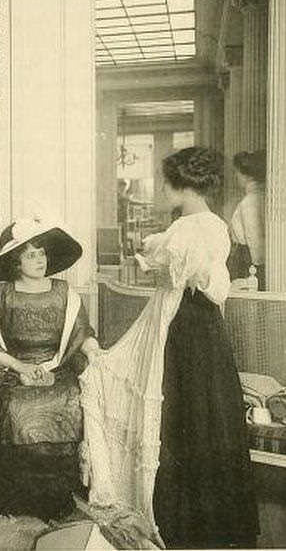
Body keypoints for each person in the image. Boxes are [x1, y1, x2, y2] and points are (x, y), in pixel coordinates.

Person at [80, 146, 258, 549]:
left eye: (166, 183)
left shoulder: (188, 228)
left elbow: (176, 266)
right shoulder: (212, 224)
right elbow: (195, 270)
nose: (162, 189)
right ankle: (212, 518)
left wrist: (155, 249)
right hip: (204, 326)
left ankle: (183, 517)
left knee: (180, 409)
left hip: (183, 325)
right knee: (204, 409)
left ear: (183, 185)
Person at [0, 216, 100, 520]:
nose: (39, 260)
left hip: (59, 367)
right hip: (14, 368)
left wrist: (94, 350)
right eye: (30, 255)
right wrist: (21, 367)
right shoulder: (2, 295)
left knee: (68, 400)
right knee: (14, 407)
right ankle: (21, 495)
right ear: (15, 261)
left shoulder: (65, 292)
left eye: (42, 253)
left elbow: (82, 334)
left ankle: (55, 492)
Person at [228, 150, 266, 290]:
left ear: (247, 175)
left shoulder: (249, 201)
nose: (235, 176)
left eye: (237, 172)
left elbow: (253, 238)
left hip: (247, 259)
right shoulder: (262, 196)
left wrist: (257, 268)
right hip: (251, 257)